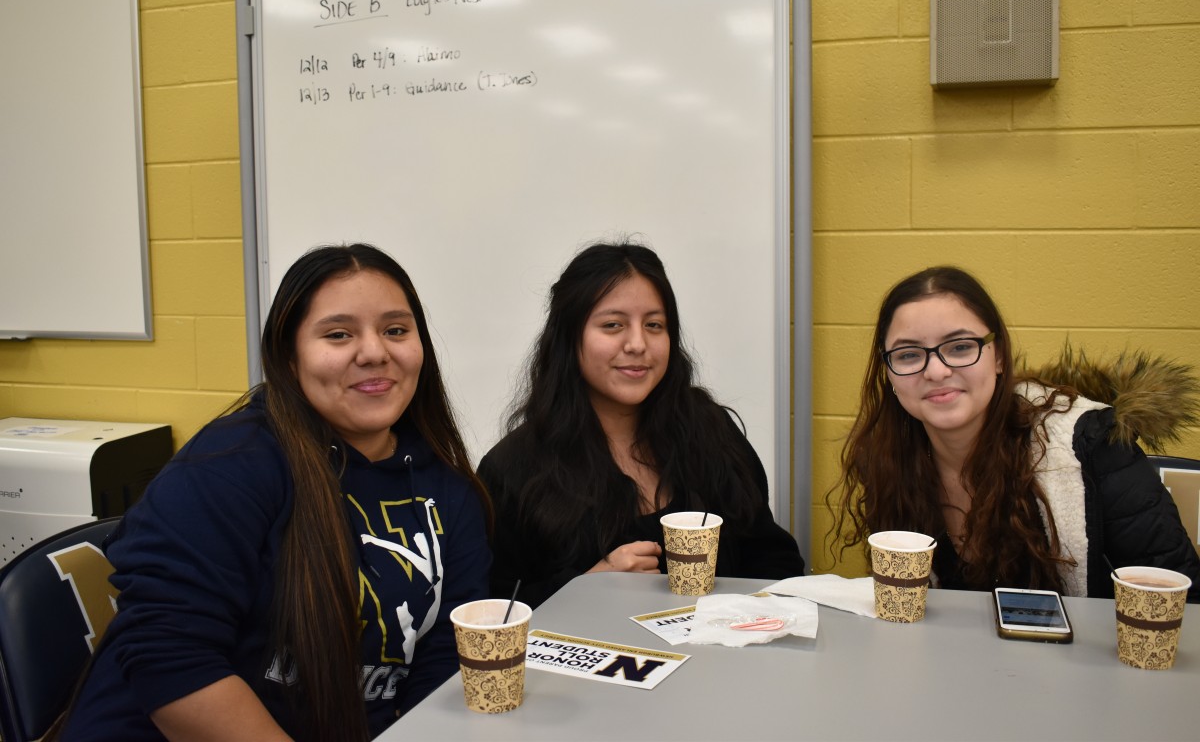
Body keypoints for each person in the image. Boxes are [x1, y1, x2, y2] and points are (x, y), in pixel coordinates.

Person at [55, 244, 491, 741]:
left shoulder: (448, 490)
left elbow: (443, 660)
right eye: (338, 334)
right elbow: (170, 655)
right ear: (289, 355)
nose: (375, 352)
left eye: (396, 330)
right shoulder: (230, 465)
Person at [831, 265, 1200, 602]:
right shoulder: (890, 459)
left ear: (1000, 357)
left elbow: (1182, 606)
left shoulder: (1095, 450)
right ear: (890, 373)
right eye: (909, 354)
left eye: (960, 347)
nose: (936, 371)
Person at [478, 241, 805, 609]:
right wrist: (587, 586)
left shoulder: (710, 432)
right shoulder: (514, 469)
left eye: (654, 325)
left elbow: (774, 560)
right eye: (613, 325)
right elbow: (495, 609)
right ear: (569, 338)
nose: (637, 343)